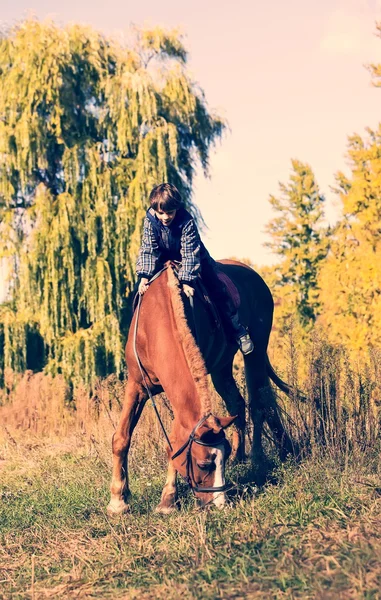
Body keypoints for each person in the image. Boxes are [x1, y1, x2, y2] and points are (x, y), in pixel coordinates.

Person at [136, 183, 254, 355]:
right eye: (161, 213)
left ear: (177, 208)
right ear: (155, 210)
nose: (165, 217)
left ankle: (238, 331)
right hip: (162, 260)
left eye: (170, 212)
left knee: (216, 287)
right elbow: (148, 248)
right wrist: (144, 276)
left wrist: (187, 280)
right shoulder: (150, 220)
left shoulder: (186, 221)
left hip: (193, 259)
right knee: (141, 293)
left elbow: (190, 252)